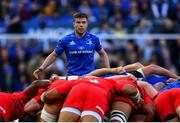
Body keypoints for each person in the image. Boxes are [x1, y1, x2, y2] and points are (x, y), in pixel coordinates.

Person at [33, 12, 110, 79]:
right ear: (74, 24)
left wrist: (108, 70)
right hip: (72, 77)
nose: (81, 25)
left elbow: (103, 54)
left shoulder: (94, 38)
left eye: (83, 22)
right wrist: (42, 68)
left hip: (89, 76)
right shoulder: (65, 40)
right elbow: (54, 55)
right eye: (78, 22)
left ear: (87, 24)